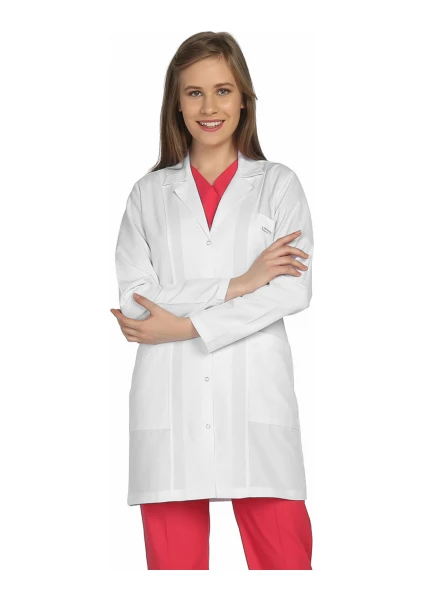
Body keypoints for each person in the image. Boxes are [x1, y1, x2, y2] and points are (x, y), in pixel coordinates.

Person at [111, 31, 314, 570]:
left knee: (286, 570)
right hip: (169, 403)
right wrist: (239, 283)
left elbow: (291, 290)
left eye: (223, 90)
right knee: (174, 576)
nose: (209, 107)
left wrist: (184, 327)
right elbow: (136, 303)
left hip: (256, 401)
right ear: (176, 103)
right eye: (194, 92)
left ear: (244, 98)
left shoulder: (278, 185)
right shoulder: (147, 195)